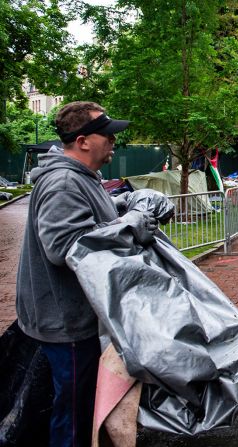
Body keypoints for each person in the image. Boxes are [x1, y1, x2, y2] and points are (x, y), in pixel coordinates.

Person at [15, 101, 157, 447]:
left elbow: (86, 224)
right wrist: (128, 224)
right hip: (67, 322)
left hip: (73, 315)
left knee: (78, 407)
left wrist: (121, 207)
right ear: (82, 141)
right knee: (74, 415)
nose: (113, 140)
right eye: (106, 134)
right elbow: (64, 246)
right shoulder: (64, 182)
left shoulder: (81, 178)